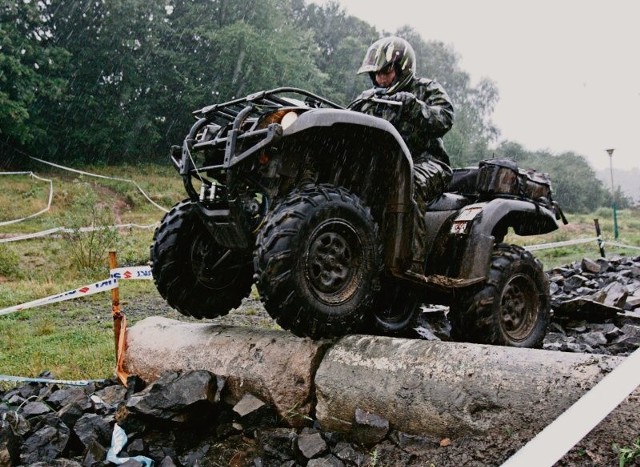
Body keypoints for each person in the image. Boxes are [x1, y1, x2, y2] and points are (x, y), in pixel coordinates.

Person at [349, 36, 455, 279]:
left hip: (428, 161)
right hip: (386, 164)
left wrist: (414, 106)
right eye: (375, 74)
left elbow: (445, 118)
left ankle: (412, 266)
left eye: (385, 72)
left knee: (408, 184)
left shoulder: (426, 89)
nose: (380, 79)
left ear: (402, 68)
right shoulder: (369, 98)